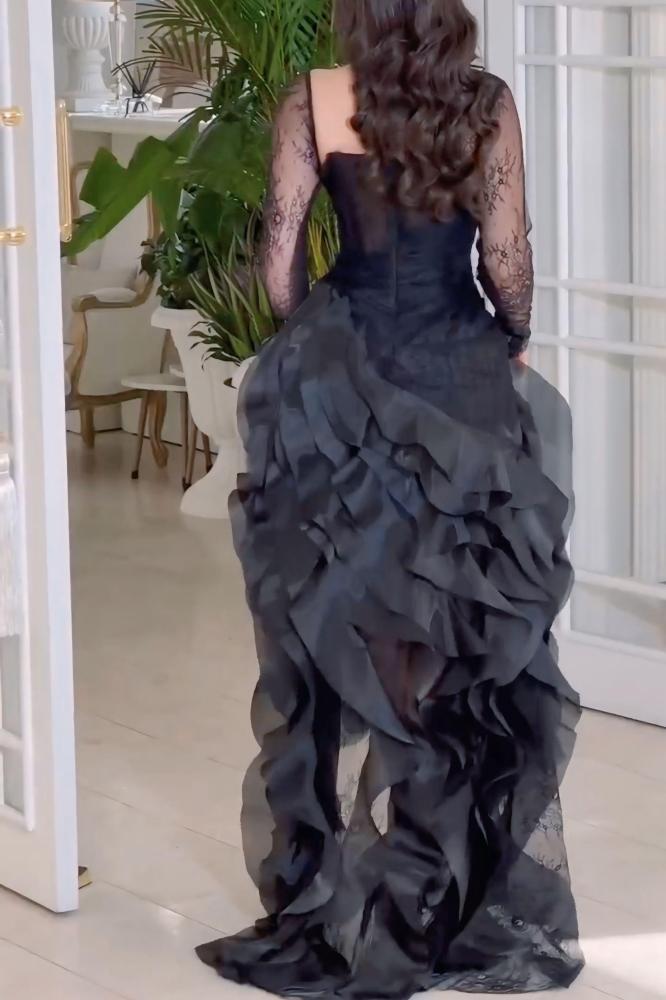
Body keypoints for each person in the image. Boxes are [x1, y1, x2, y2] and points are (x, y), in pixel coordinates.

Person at [196, 1, 585, 995]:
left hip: (345, 372)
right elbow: (506, 256)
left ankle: (345, 894)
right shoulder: (486, 103)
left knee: (348, 629)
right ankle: (441, 896)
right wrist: (513, 334)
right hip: (455, 376)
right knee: (452, 637)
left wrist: (314, 346)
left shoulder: (315, 98)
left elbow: (279, 257)